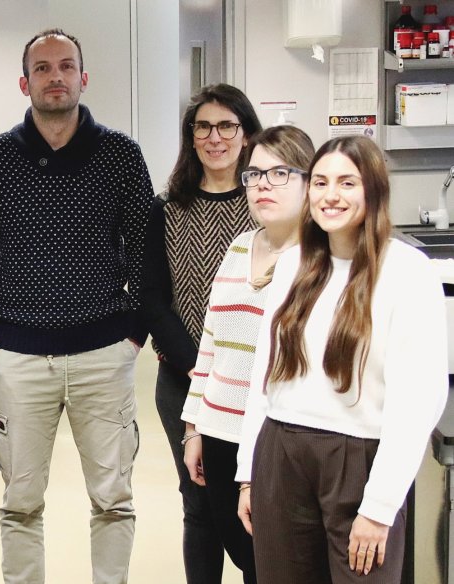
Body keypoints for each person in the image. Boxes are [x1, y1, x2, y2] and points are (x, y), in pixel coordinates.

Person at [0, 28, 153, 584]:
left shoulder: (120, 154)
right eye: (42, 68)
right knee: (20, 501)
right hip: (19, 356)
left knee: (113, 495)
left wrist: (133, 332)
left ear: (83, 78)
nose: (55, 77)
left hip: (103, 352)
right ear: (25, 83)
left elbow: (142, 246)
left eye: (66, 66)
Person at [236, 135, 448, 583]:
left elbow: (419, 400)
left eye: (347, 183)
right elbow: (264, 374)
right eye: (320, 182)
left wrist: (380, 506)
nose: (330, 195)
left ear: (373, 190)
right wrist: (248, 473)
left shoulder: (409, 272)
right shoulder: (293, 264)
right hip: (282, 453)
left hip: (360, 461)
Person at [180, 125, 315, 584]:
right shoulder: (239, 247)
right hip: (220, 430)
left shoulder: (318, 261)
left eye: (279, 173)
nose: (262, 185)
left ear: (307, 181)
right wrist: (194, 426)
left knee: (274, 562)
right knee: (242, 553)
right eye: (254, 174)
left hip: (278, 439)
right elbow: (211, 341)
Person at [140, 83, 261, 584]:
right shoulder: (165, 208)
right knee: (199, 501)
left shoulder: (266, 204)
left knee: (257, 505)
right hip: (184, 385)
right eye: (203, 127)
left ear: (246, 133)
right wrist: (198, 365)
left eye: (227, 125)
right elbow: (151, 298)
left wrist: (225, 369)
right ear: (191, 138)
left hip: (255, 388)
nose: (215, 137)